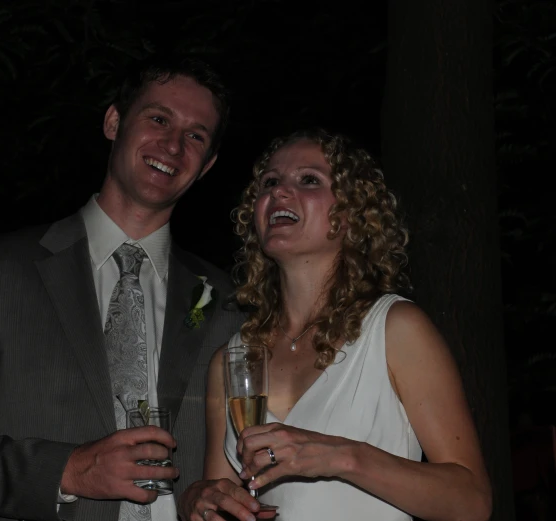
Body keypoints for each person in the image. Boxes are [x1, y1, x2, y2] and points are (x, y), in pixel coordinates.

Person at [0, 56, 245, 521]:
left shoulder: (221, 298)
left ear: (207, 166)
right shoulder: (4, 270)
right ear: (113, 121)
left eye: (196, 136)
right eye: (159, 118)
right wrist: (66, 471)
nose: (173, 144)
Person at [178, 129, 493, 521]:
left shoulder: (395, 329)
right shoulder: (232, 360)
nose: (279, 192)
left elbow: (472, 501)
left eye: (308, 180)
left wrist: (343, 457)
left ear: (350, 216)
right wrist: (203, 501)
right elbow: (225, 497)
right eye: (270, 182)